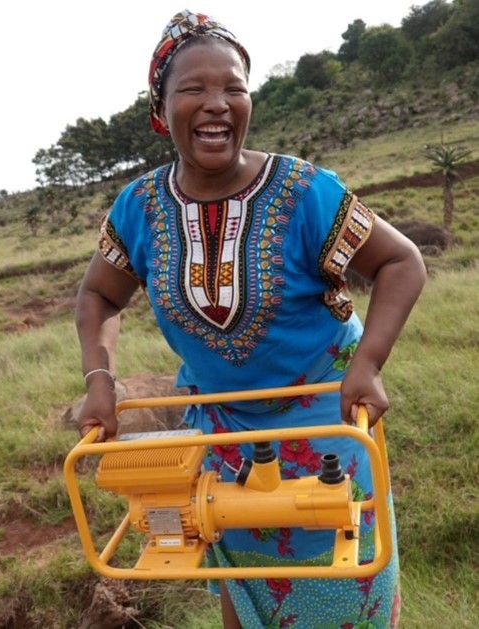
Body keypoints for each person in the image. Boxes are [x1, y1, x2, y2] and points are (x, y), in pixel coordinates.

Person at [75, 9, 426, 628]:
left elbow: (401, 261)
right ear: (161, 110)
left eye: (233, 88)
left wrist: (367, 364)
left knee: (345, 585)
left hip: (330, 424)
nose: (217, 104)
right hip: (224, 436)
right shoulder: (138, 207)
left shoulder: (304, 190)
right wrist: (99, 380)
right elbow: (99, 297)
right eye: (194, 89)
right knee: (247, 590)